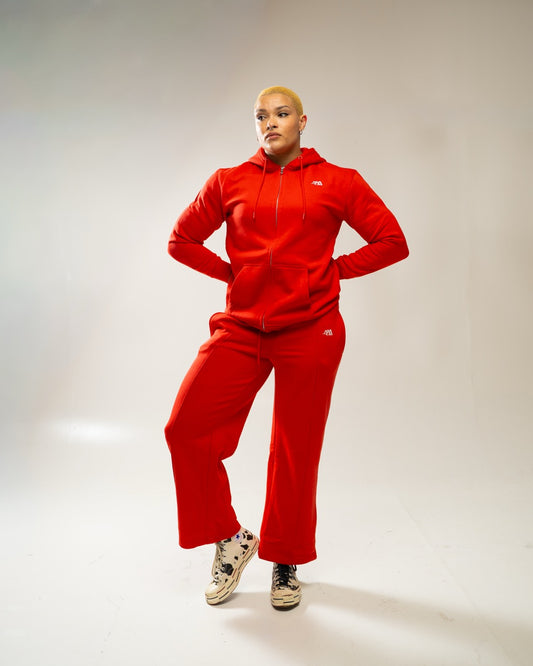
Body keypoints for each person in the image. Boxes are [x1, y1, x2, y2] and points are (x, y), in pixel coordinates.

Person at [165, 86, 408, 610]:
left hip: (312, 329)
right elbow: (181, 241)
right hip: (242, 327)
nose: (270, 123)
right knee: (185, 428)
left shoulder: (339, 181)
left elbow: (392, 241)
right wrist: (235, 275)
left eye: (281, 113)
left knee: (295, 448)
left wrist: (331, 273)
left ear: (302, 121)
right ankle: (230, 538)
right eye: (261, 116)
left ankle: (286, 560)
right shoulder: (228, 180)